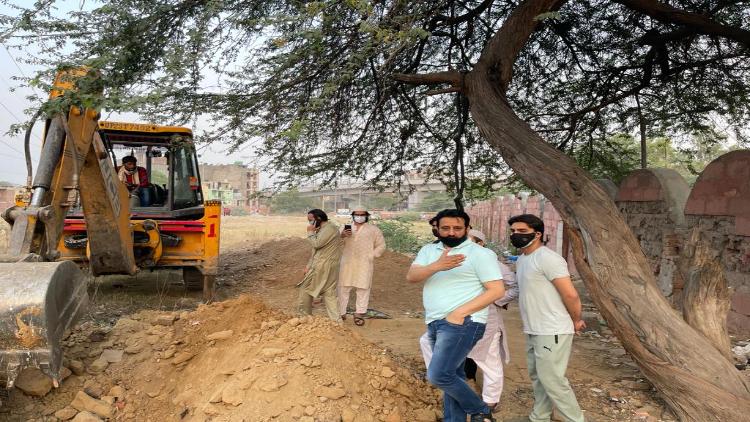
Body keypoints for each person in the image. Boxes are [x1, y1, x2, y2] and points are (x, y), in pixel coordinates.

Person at [407, 209, 505, 422]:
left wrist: (460, 313)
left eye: (457, 228)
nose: (451, 232)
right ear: (437, 229)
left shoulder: (481, 254)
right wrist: (436, 266)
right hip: (435, 322)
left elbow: (497, 290)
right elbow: (412, 276)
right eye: (446, 228)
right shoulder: (428, 250)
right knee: (453, 374)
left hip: (463, 323)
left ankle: (480, 410)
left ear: (467, 229)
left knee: (439, 375)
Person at [419, 229, 519, 411]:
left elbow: (514, 286)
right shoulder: (456, 262)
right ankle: (445, 381)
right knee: (427, 342)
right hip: (455, 321)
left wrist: (497, 300)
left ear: (481, 244)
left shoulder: (495, 265)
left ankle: (490, 401)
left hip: (486, 321)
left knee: (489, 360)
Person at [509, 214, 585, 422]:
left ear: (538, 233)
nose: (516, 235)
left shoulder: (548, 259)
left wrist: (577, 319)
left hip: (552, 329)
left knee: (552, 380)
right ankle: (539, 417)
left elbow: (570, 294)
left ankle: (574, 419)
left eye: (522, 231)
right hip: (534, 328)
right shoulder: (523, 259)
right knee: (538, 377)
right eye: (514, 231)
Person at [338, 206, 386, 323]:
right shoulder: (344, 228)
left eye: (362, 215)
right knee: (343, 287)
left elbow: (381, 245)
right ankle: (341, 313)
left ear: (366, 216)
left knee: (363, 288)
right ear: (353, 215)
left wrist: (372, 255)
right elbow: (335, 242)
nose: (359, 217)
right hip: (347, 262)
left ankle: (359, 313)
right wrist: (342, 235)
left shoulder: (374, 230)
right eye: (357, 215)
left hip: (365, 262)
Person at [298, 209, 342, 322]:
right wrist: (308, 265)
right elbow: (316, 251)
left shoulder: (329, 229)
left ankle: (305, 317)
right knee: (329, 293)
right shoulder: (324, 229)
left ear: (318, 218)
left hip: (323, 266)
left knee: (305, 288)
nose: (309, 223)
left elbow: (316, 244)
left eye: (311, 220)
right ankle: (336, 321)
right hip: (326, 265)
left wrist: (310, 232)